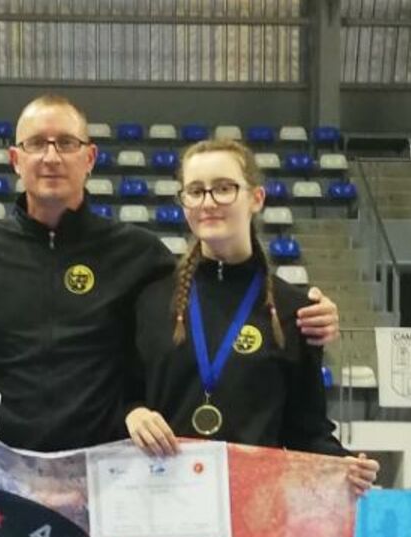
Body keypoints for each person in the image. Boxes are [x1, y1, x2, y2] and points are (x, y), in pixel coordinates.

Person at [0, 95, 343, 451]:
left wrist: (306, 313)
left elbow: (216, 298)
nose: (50, 156)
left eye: (65, 143)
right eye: (36, 145)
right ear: (15, 160)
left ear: (89, 158)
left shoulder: (138, 255)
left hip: (100, 470)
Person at [123, 139, 378, 494]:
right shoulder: (150, 300)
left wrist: (343, 465)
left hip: (254, 507)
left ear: (256, 198)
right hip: (165, 503)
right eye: (195, 191)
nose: (208, 202)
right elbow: (123, 394)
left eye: (224, 188)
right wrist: (132, 414)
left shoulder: (294, 311)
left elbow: (305, 430)